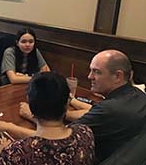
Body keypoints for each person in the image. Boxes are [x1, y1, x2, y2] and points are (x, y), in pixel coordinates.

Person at [14, 49, 146, 162]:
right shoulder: (138, 96)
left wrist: (9, 124)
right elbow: (93, 111)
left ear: (118, 76)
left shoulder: (109, 110)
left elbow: (56, 138)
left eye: (96, 72)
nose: (89, 76)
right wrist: (72, 102)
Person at [0, 72, 95, 165]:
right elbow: (52, 140)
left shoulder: (14, 154)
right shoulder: (85, 134)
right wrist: (8, 127)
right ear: (67, 103)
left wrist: (1, 155)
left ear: (29, 102)